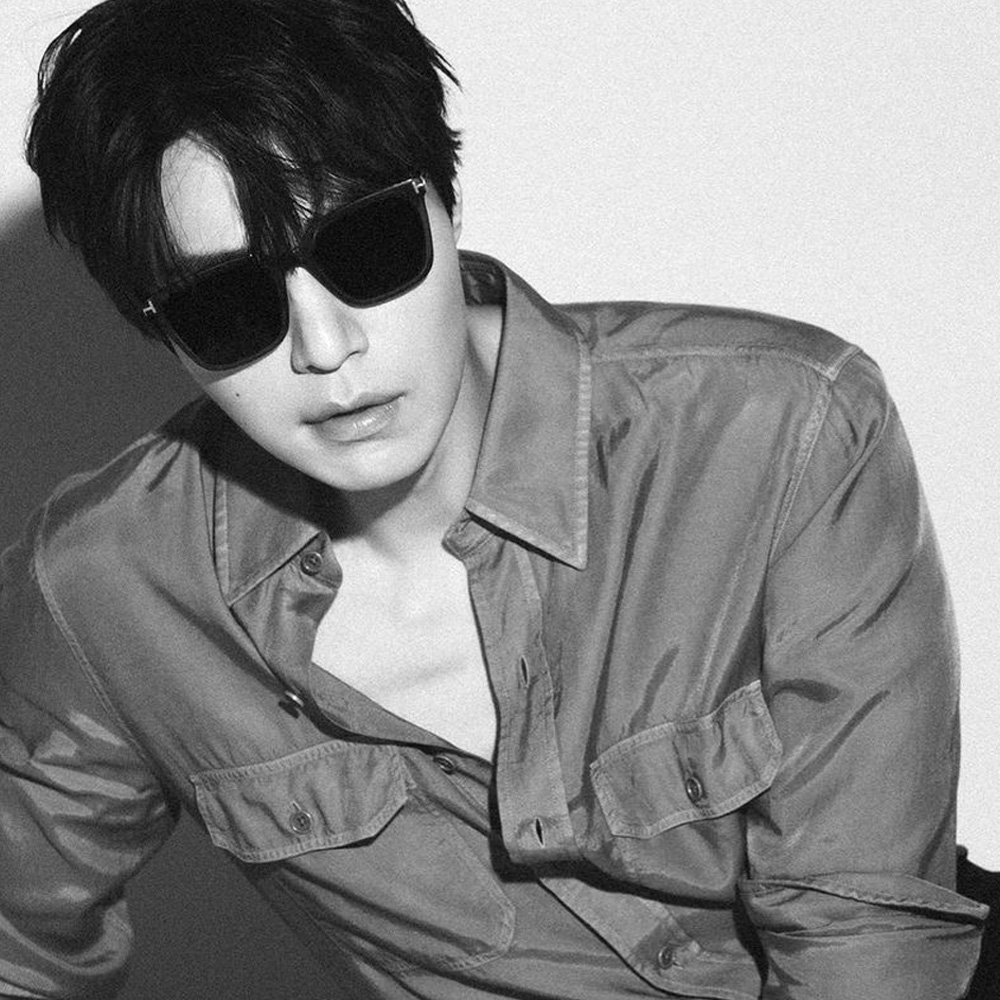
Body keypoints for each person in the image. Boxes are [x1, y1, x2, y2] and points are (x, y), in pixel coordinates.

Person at [0, 0, 987, 996]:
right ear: (158, 330)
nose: (327, 348)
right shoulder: (108, 587)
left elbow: (867, 944)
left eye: (364, 246)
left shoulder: (781, 433)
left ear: (447, 201)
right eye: (227, 306)